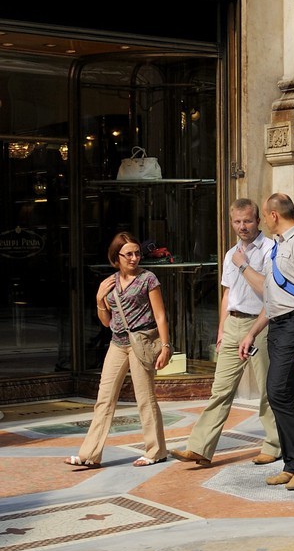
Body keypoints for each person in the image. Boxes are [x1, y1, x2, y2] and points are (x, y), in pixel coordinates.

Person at [174, 199, 280, 469]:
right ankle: (200, 448)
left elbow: (269, 291)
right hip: (233, 325)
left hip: (261, 325)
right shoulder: (230, 252)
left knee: (268, 388)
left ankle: (274, 445)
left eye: (247, 221)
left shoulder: (270, 250)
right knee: (220, 390)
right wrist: (221, 329)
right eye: (237, 221)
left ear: (258, 220)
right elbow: (227, 293)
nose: (242, 227)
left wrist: (244, 265)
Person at [238, 193, 294, 492]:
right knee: (280, 395)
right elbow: (275, 297)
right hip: (278, 325)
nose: (263, 220)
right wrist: (252, 332)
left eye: (264, 214)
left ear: (274, 215)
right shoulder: (281, 246)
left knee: (279, 391)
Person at [65, 232, 171, 469]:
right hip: (117, 343)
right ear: (117, 257)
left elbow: (160, 314)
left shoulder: (148, 279)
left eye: (137, 253)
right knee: (104, 399)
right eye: (129, 254)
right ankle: (90, 454)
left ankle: (156, 451)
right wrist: (100, 299)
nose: (134, 258)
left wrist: (165, 346)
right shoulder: (110, 282)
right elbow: (105, 321)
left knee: (145, 398)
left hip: (141, 342)